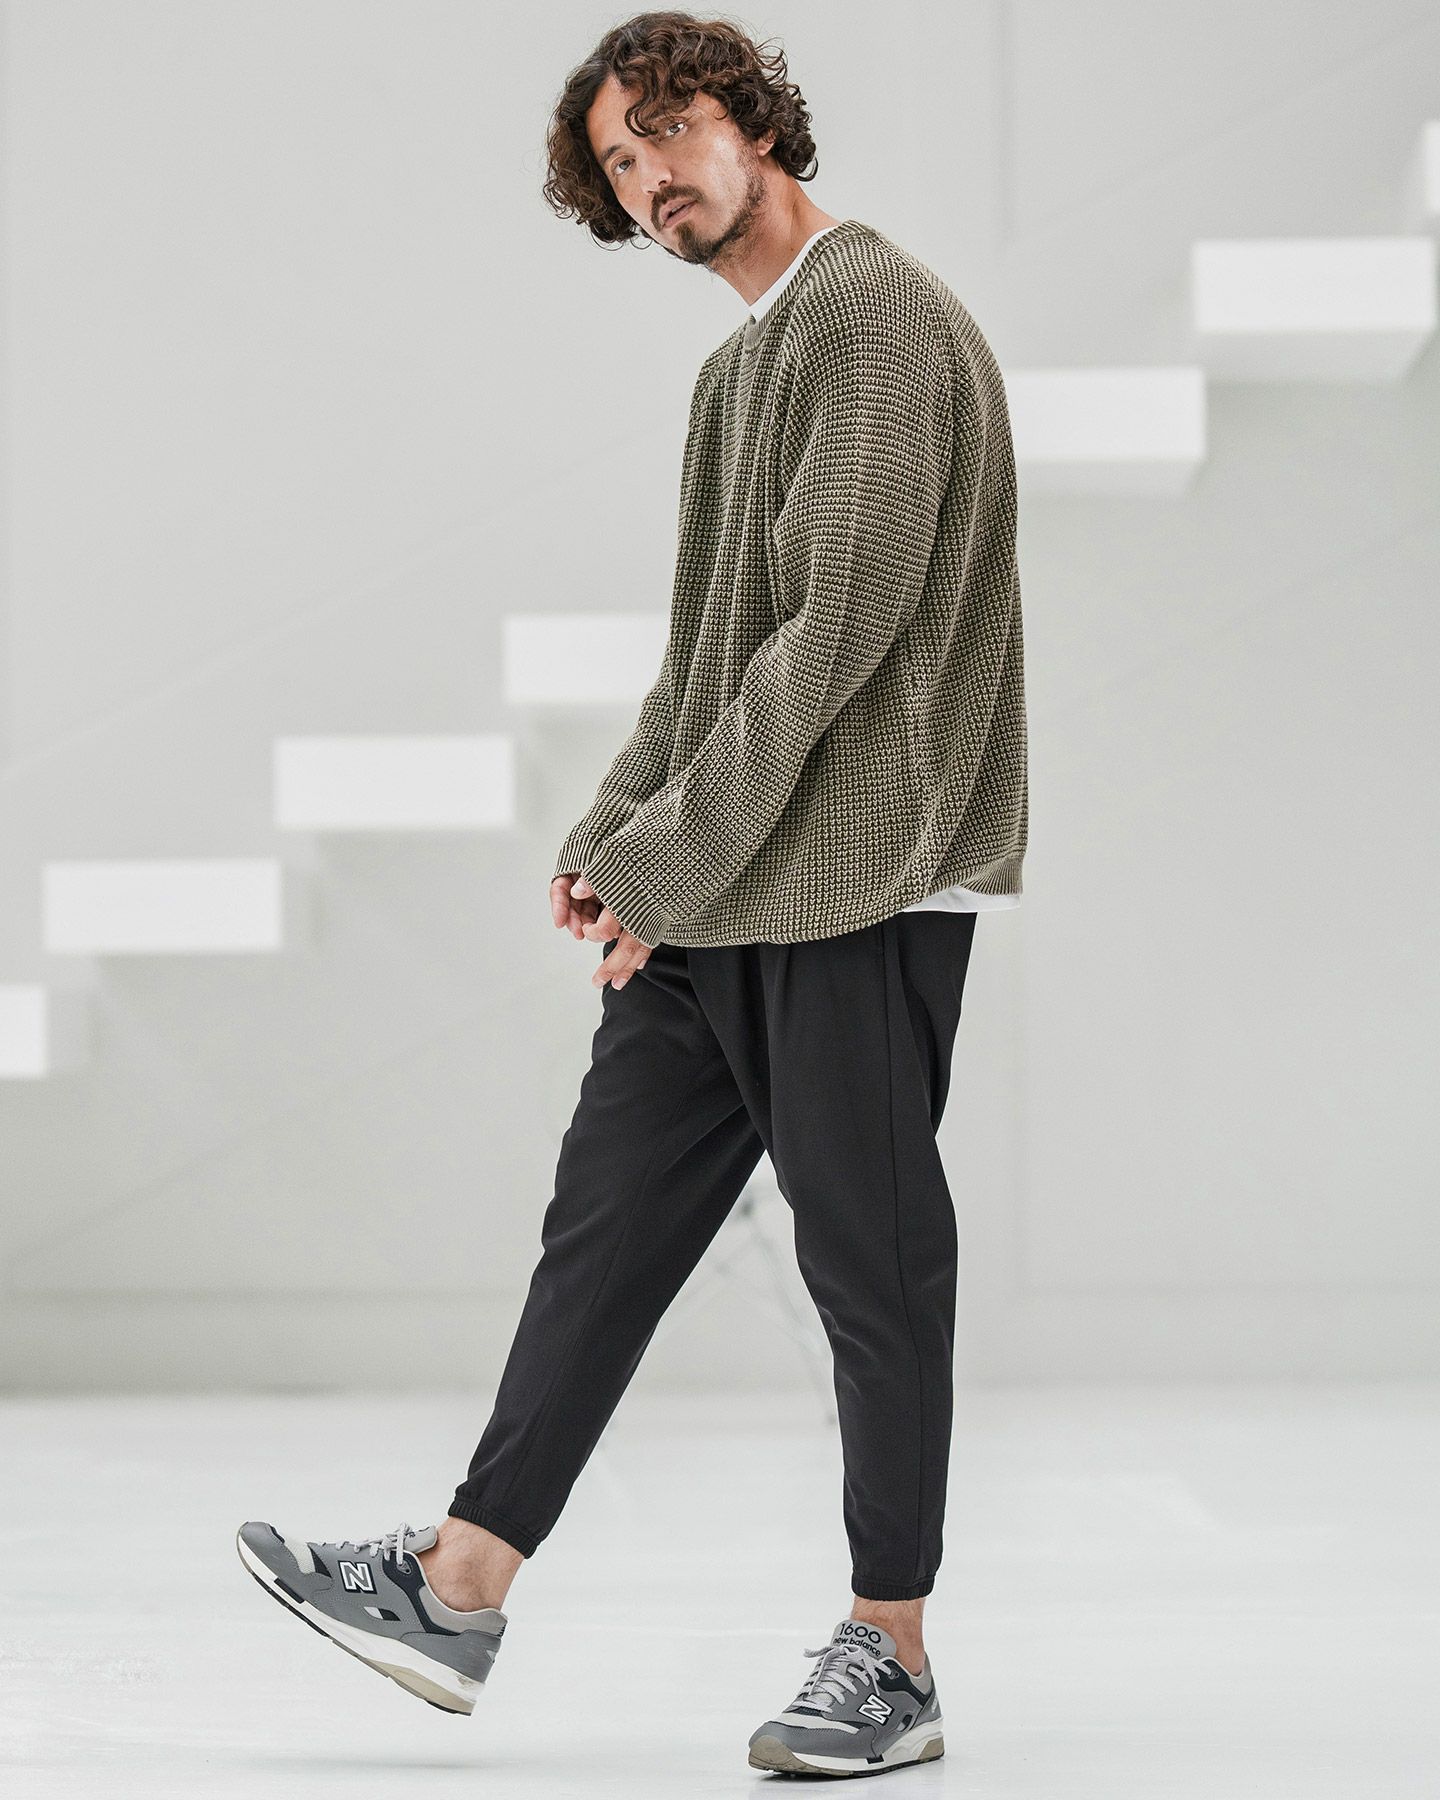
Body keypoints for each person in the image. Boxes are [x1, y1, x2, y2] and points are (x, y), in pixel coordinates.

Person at [236, 8, 1027, 1777]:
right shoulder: (739, 373)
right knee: (603, 1234)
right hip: (734, 884)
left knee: (873, 1265)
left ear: (750, 116)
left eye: (666, 131)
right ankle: (458, 1587)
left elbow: (837, 634)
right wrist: (614, 840)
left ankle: (892, 1654)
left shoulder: (875, 318)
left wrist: (670, 858)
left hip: (860, 878)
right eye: (617, 164)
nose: (650, 178)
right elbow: (705, 659)